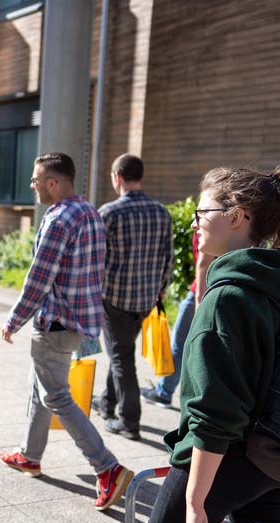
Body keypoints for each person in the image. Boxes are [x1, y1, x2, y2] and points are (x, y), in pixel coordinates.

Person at [125, 167, 280, 523]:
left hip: (224, 459)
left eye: (203, 212)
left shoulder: (229, 297)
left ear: (237, 216)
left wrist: (195, 501)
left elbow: (215, 413)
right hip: (275, 453)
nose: (195, 221)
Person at [0, 152, 134, 511]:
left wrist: (12, 320)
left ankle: (107, 468)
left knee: (55, 395)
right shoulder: (89, 212)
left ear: (53, 183)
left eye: (36, 180)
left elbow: (38, 279)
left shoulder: (58, 219)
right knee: (40, 384)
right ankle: (30, 454)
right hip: (81, 319)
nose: (32, 185)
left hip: (57, 322)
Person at [93, 154, 174, 441]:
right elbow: (169, 258)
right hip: (147, 299)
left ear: (117, 177)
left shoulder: (109, 213)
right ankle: (106, 402)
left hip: (115, 299)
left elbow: (96, 259)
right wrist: (161, 288)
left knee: (121, 357)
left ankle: (129, 422)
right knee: (122, 351)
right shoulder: (161, 212)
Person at [141, 232, 207, 408]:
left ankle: (164, 393)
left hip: (200, 291)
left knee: (180, 344)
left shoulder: (208, 226)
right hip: (211, 290)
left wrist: (199, 300)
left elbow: (204, 262)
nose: (195, 223)